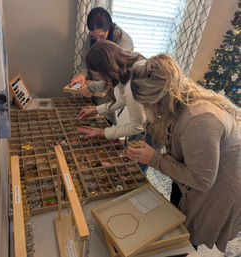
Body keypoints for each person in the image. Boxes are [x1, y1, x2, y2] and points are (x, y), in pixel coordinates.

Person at [126, 53, 241, 252]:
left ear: (157, 101)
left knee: (187, 238)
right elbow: (173, 131)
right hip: (203, 173)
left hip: (220, 185)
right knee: (178, 215)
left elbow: (202, 181)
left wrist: (155, 159)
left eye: (146, 105)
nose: (145, 109)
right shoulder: (179, 100)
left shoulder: (199, 120)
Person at [76, 40, 148, 172]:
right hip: (148, 120)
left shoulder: (131, 84)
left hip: (159, 123)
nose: (101, 79)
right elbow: (122, 100)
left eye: (99, 75)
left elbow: (137, 127)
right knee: (129, 147)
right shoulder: (127, 64)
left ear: (107, 70)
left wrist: (103, 132)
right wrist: (96, 110)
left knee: (137, 161)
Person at [70, 7, 133, 125]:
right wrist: (82, 74)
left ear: (109, 28)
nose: (97, 41)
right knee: (90, 119)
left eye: (101, 37)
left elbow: (117, 78)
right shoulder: (94, 33)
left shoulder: (123, 42)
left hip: (110, 93)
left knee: (106, 122)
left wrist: (92, 88)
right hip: (93, 89)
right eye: (94, 37)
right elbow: (86, 58)